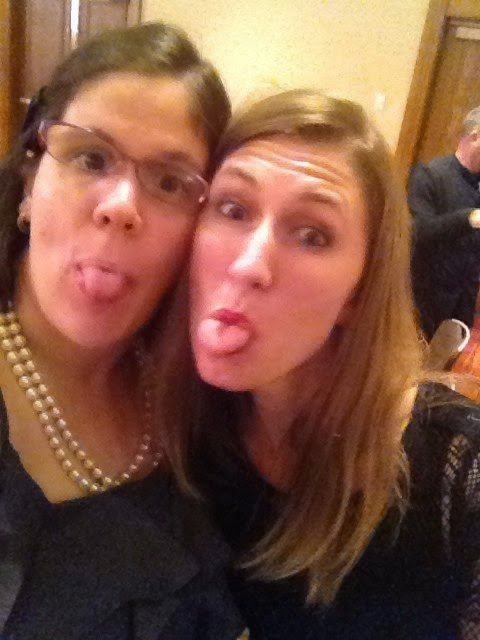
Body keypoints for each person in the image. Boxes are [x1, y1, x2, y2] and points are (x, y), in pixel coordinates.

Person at [160, 90, 480, 639]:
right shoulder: (178, 427)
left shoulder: (460, 474)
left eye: (312, 235)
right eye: (233, 209)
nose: (249, 264)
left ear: (359, 291)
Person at [0, 22, 247, 640]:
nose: (120, 206)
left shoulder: (200, 400)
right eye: (91, 158)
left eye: (169, 182)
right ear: (30, 182)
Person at [408, 106, 480, 338]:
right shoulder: (429, 175)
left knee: (448, 359)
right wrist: (468, 218)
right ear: (475, 137)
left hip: (464, 301)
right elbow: (419, 232)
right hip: (425, 298)